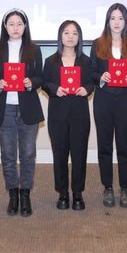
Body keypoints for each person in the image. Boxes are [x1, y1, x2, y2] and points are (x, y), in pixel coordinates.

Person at [0, 9, 44, 217]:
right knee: (8, 155)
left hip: (27, 107)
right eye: (11, 24)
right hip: (5, 108)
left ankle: (25, 193)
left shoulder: (34, 49)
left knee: (28, 154)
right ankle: (13, 194)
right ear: (5, 27)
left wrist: (31, 82)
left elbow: (40, 77)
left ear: (25, 26)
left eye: (19, 24)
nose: (15, 28)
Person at [90, 3, 127, 208]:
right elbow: (91, 71)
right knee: (104, 144)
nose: (117, 22)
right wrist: (100, 77)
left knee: (123, 144)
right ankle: (108, 187)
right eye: (113, 18)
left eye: (120, 18)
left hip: (125, 100)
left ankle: (125, 188)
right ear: (107, 21)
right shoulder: (97, 44)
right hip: (103, 99)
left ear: (126, 21)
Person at [42, 20, 94, 211]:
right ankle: (62, 193)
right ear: (60, 36)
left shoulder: (86, 61)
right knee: (60, 155)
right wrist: (55, 88)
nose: (70, 36)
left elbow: (91, 83)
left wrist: (86, 89)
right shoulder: (50, 61)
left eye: (75, 33)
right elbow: (44, 83)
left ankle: (78, 193)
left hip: (80, 114)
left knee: (79, 154)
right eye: (66, 33)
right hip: (58, 114)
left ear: (79, 37)